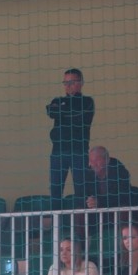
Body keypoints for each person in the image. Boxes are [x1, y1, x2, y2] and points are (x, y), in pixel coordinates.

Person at [46, 68, 94, 208]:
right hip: (58, 151)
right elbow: (51, 111)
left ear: (81, 83)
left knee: (81, 190)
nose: (67, 86)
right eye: (65, 83)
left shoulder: (87, 101)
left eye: (71, 82)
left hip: (78, 151)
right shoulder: (58, 100)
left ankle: (82, 221)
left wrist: (61, 110)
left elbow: (78, 116)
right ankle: (56, 222)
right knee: (55, 191)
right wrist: (64, 110)